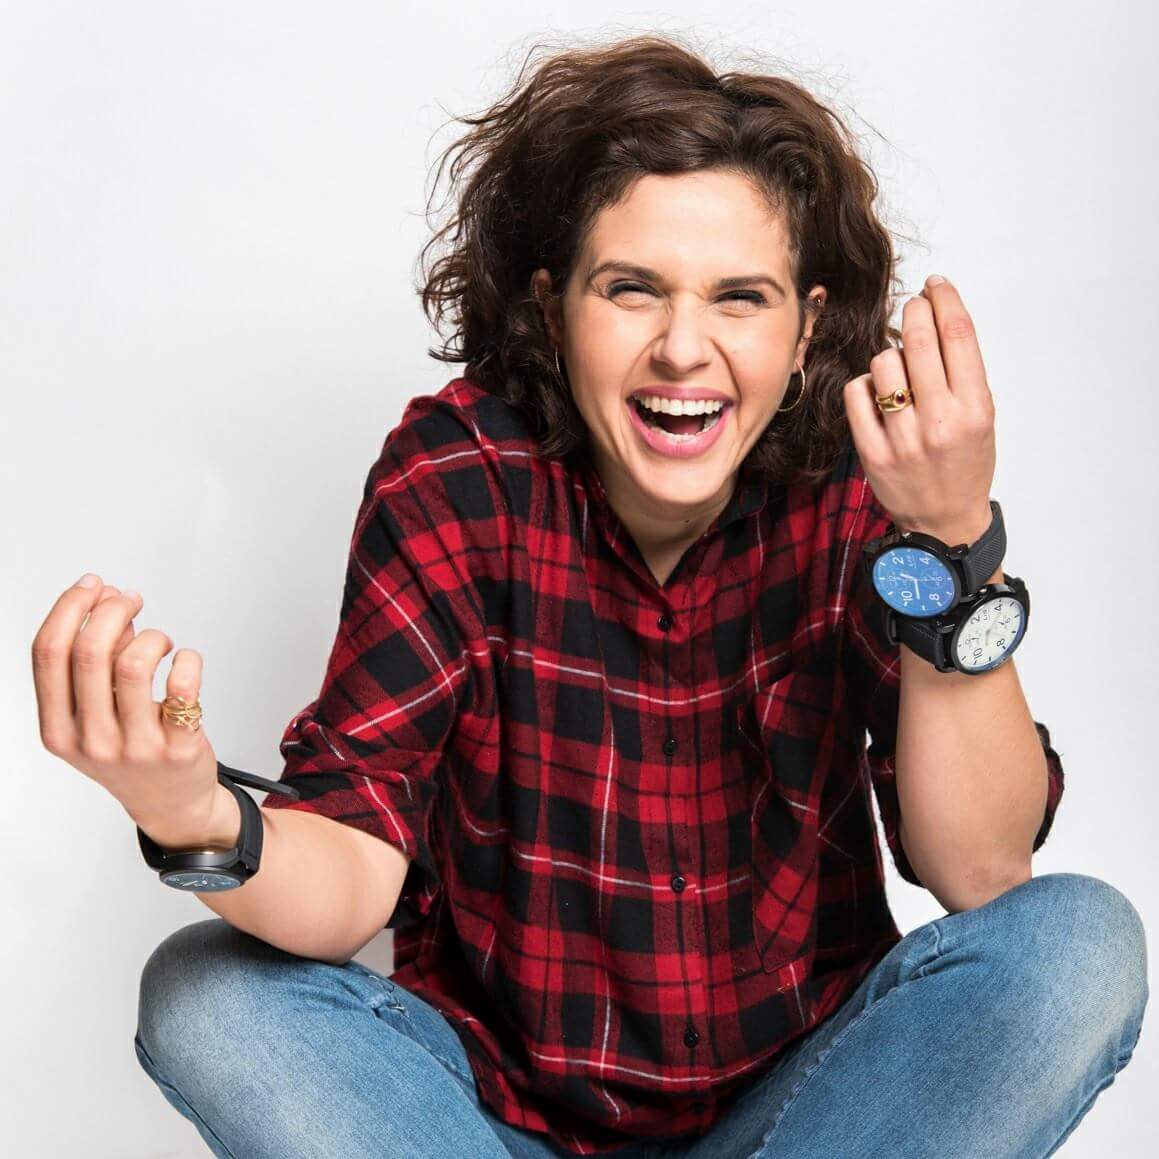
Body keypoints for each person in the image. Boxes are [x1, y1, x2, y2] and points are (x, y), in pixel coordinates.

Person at [34, 32, 1146, 1159]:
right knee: (209, 994)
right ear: (552, 304)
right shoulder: (458, 477)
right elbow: (353, 866)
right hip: (496, 1125)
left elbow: (981, 870)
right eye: (630, 290)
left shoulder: (857, 488)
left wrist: (949, 538)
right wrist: (199, 821)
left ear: (806, 327)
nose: (683, 349)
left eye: (740, 298)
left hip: (801, 1120)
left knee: (1077, 946)